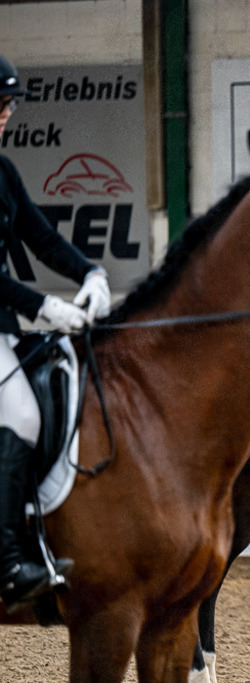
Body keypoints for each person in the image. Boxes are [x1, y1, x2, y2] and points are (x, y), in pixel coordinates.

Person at [0, 54, 111, 611]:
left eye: (8, 105)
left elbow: (42, 238)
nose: (6, 115)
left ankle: (39, 528)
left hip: (2, 326)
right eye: (0, 104)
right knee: (19, 411)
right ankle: (6, 560)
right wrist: (47, 307)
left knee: (55, 380)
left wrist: (89, 273)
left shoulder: (3, 173)